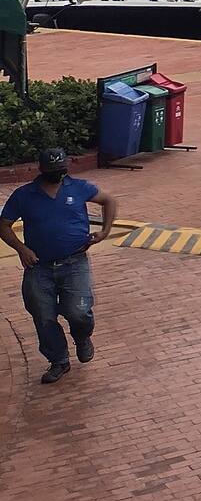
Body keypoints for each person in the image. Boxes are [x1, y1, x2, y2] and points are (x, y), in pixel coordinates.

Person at [0, 148, 117, 384]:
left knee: (79, 312)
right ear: (41, 169)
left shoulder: (79, 187)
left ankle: (82, 337)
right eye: (53, 170)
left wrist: (105, 231)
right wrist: (22, 249)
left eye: (61, 170)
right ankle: (58, 360)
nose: (58, 175)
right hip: (39, 267)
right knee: (43, 316)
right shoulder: (24, 195)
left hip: (75, 262)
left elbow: (109, 200)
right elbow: (4, 224)